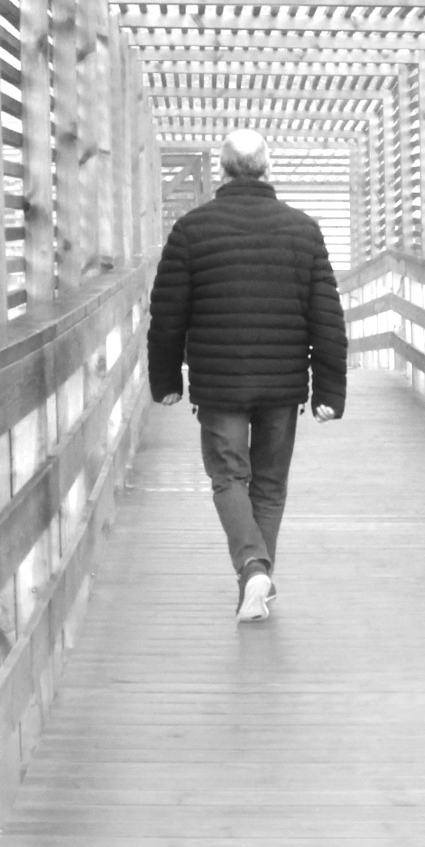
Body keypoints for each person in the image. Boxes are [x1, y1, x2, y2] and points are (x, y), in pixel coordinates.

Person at [145, 127, 346, 621]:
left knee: (229, 478)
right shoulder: (303, 230)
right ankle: (256, 578)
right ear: (267, 168)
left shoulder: (191, 229)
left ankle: (253, 566)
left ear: (222, 170)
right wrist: (329, 391)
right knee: (270, 484)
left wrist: (166, 380)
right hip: (282, 384)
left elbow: (168, 314)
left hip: (220, 385)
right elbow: (327, 317)